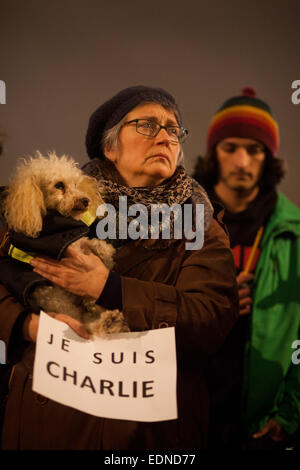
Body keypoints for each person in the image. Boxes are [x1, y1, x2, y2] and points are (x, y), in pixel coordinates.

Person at [0, 85, 238, 450]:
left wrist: (109, 288)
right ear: (109, 147)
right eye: (146, 125)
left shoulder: (200, 223)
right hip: (49, 418)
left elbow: (210, 319)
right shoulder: (50, 201)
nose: (165, 137)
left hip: (144, 432)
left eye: (173, 130)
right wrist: (27, 325)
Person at [193, 87, 300, 449]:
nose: (242, 162)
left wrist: (290, 413)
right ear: (214, 153)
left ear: (268, 158)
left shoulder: (293, 232)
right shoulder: (174, 219)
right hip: (185, 405)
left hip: (258, 420)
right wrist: (204, 305)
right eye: (230, 148)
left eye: (254, 150)